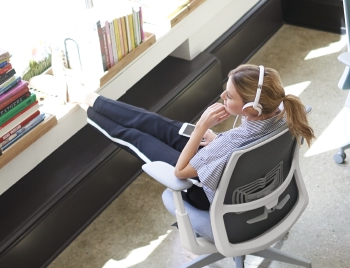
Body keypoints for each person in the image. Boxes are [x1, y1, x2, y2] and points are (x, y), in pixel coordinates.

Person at [85, 64, 314, 211]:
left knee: (137, 138)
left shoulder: (231, 143)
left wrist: (201, 127)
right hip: (242, 174)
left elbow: (180, 172)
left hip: (206, 195)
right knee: (155, 123)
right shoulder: (284, 113)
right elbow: (239, 143)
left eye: (229, 96)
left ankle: (88, 110)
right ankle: (90, 100)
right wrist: (215, 139)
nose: (222, 96)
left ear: (250, 109)